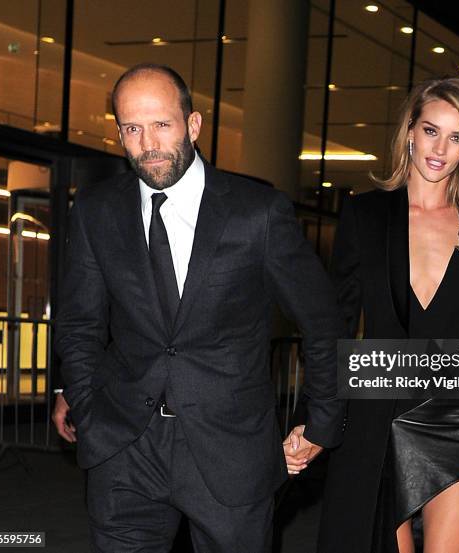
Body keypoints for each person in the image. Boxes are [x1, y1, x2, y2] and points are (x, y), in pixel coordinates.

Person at [54, 63, 345, 553]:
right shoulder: (96, 211)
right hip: (125, 446)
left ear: (193, 125)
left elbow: (323, 323)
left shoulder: (258, 212)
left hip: (229, 450)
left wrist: (320, 421)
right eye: (132, 127)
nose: (147, 142)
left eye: (161, 124)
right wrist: (86, 402)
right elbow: (80, 322)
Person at [304, 77, 459, 553]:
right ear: (409, 132)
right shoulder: (366, 216)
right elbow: (336, 326)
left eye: (457, 136)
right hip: (378, 415)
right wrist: (315, 416)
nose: (440, 148)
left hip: (455, 413)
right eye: (431, 130)